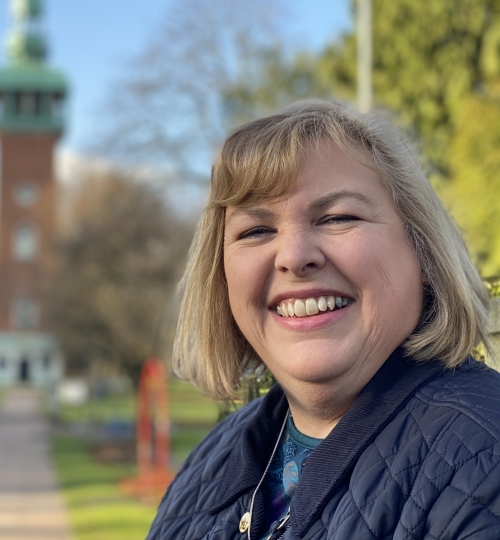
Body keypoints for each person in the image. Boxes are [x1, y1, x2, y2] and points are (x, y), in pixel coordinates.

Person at [147, 100, 500, 540]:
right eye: (256, 230)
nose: (294, 257)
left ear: (423, 252)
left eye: (337, 218)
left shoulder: (485, 460)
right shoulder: (209, 462)